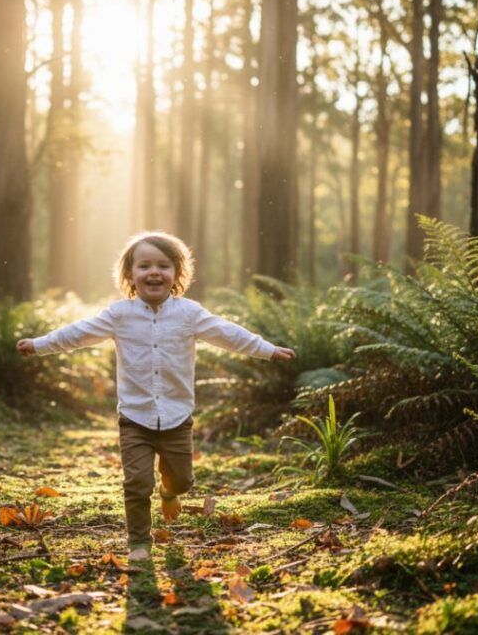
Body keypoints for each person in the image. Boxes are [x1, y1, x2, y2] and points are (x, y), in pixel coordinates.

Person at [16, 231, 296, 561]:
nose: (153, 272)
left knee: (182, 481)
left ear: (177, 274)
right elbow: (78, 333)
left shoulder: (189, 314)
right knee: (136, 482)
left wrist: (267, 349)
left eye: (163, 265)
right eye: (144, 265)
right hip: (134, 418)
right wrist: (39, 344)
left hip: (177, 417)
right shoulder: (118, 315)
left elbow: (227, 333)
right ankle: (139, 542)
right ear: (130, 275)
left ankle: (168, 492)